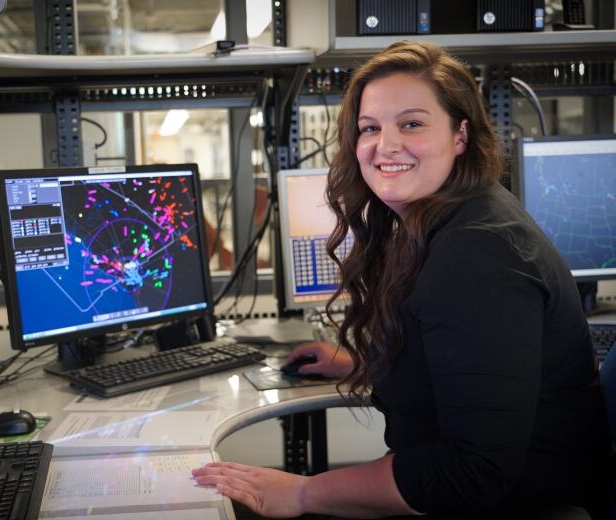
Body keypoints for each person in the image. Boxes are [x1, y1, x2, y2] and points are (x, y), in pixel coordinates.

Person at [192, 41, 610, 519]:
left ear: (460, 135)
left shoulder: (478, 254)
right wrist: (365, 363)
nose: (385, 145)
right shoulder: (456, 217)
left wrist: (304, 492)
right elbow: (473, 374)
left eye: (411, 123)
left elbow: (470, 472)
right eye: (370, 128)